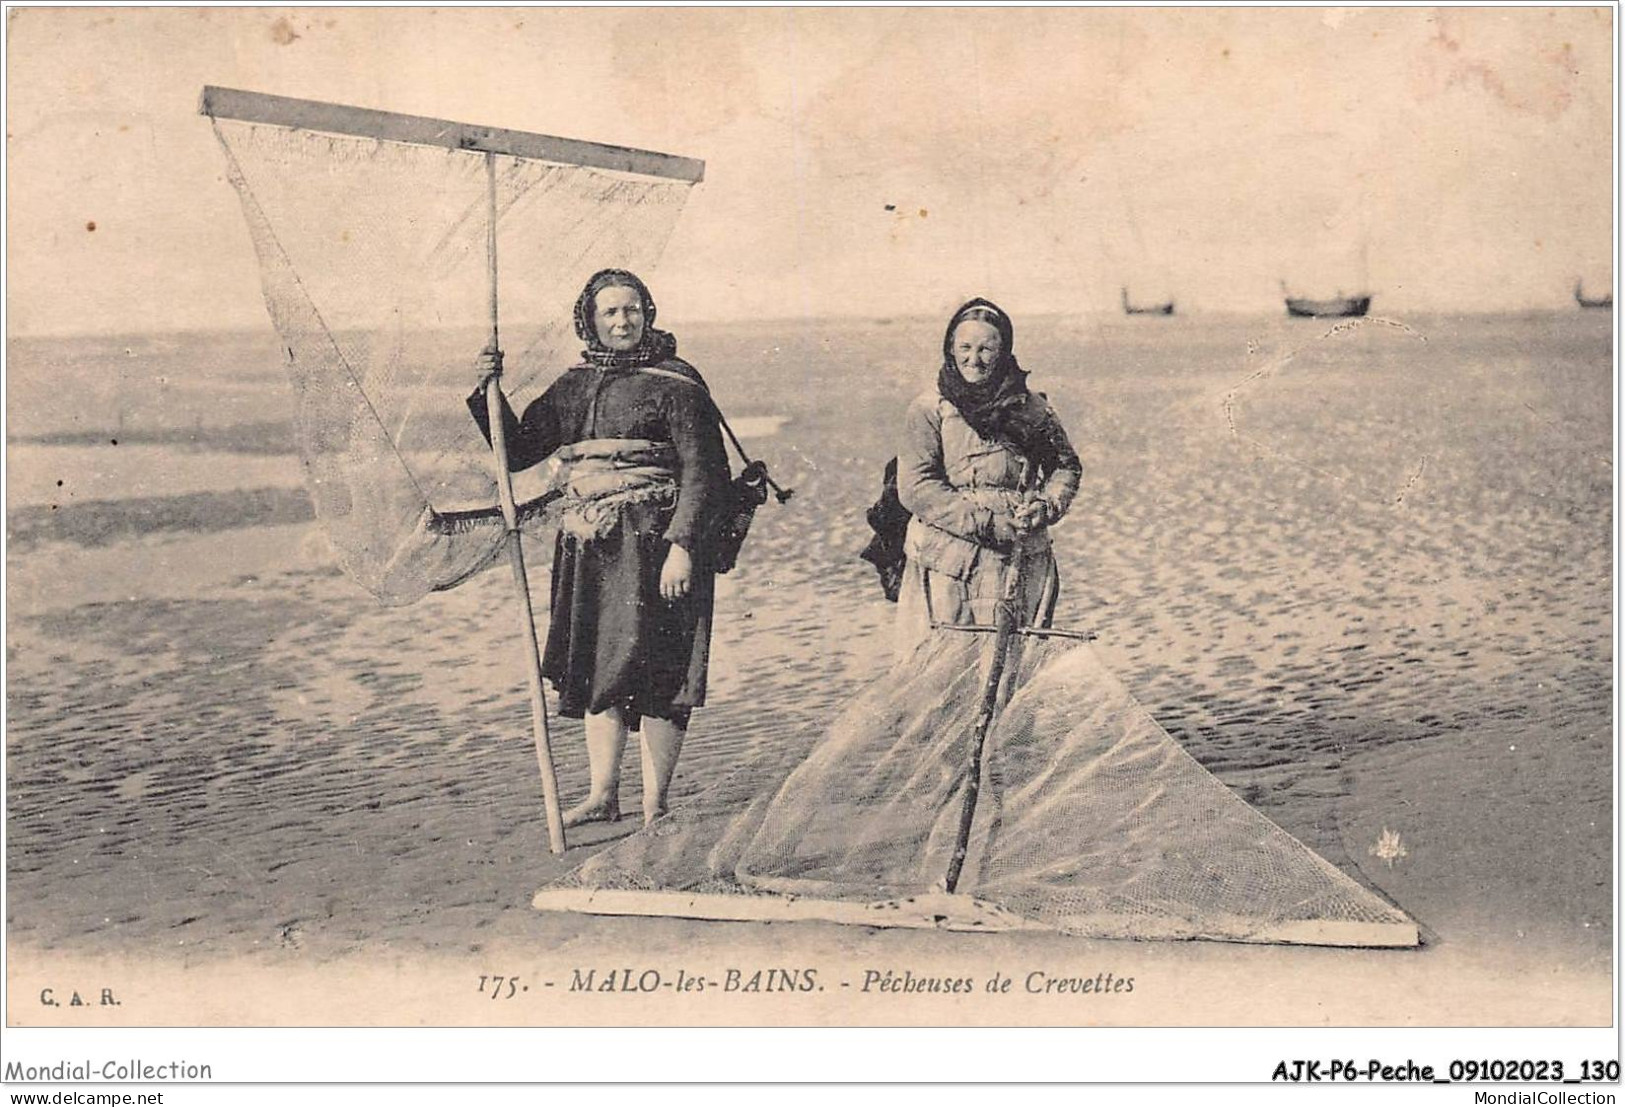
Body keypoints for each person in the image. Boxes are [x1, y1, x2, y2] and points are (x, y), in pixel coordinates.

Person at [468, 269, 731, 828]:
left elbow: (705, 472)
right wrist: (488, 390)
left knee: (662, 669)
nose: (622, 321)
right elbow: (518, 452)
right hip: (591, 547)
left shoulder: (677, 382)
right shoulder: (573, 385)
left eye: (632, 309)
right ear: (589, 319)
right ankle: (603, 794)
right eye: (610, 312)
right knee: (597, 665)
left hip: (656, 547)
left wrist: (683, 546)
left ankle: (656, 802)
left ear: (648, 312)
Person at [894, 298, 1082, 658]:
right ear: (950, 349)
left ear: (1004, 350)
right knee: (947, 666)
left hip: (1020, 558)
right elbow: (917, 487)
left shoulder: (1032, 409)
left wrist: (1046, 506)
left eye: (986, 349)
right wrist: (988, 524)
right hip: (948, 562)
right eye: (965, 347)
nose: (974, 359)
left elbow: (1065, 467)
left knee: (1015, 665)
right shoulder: (929, 409)